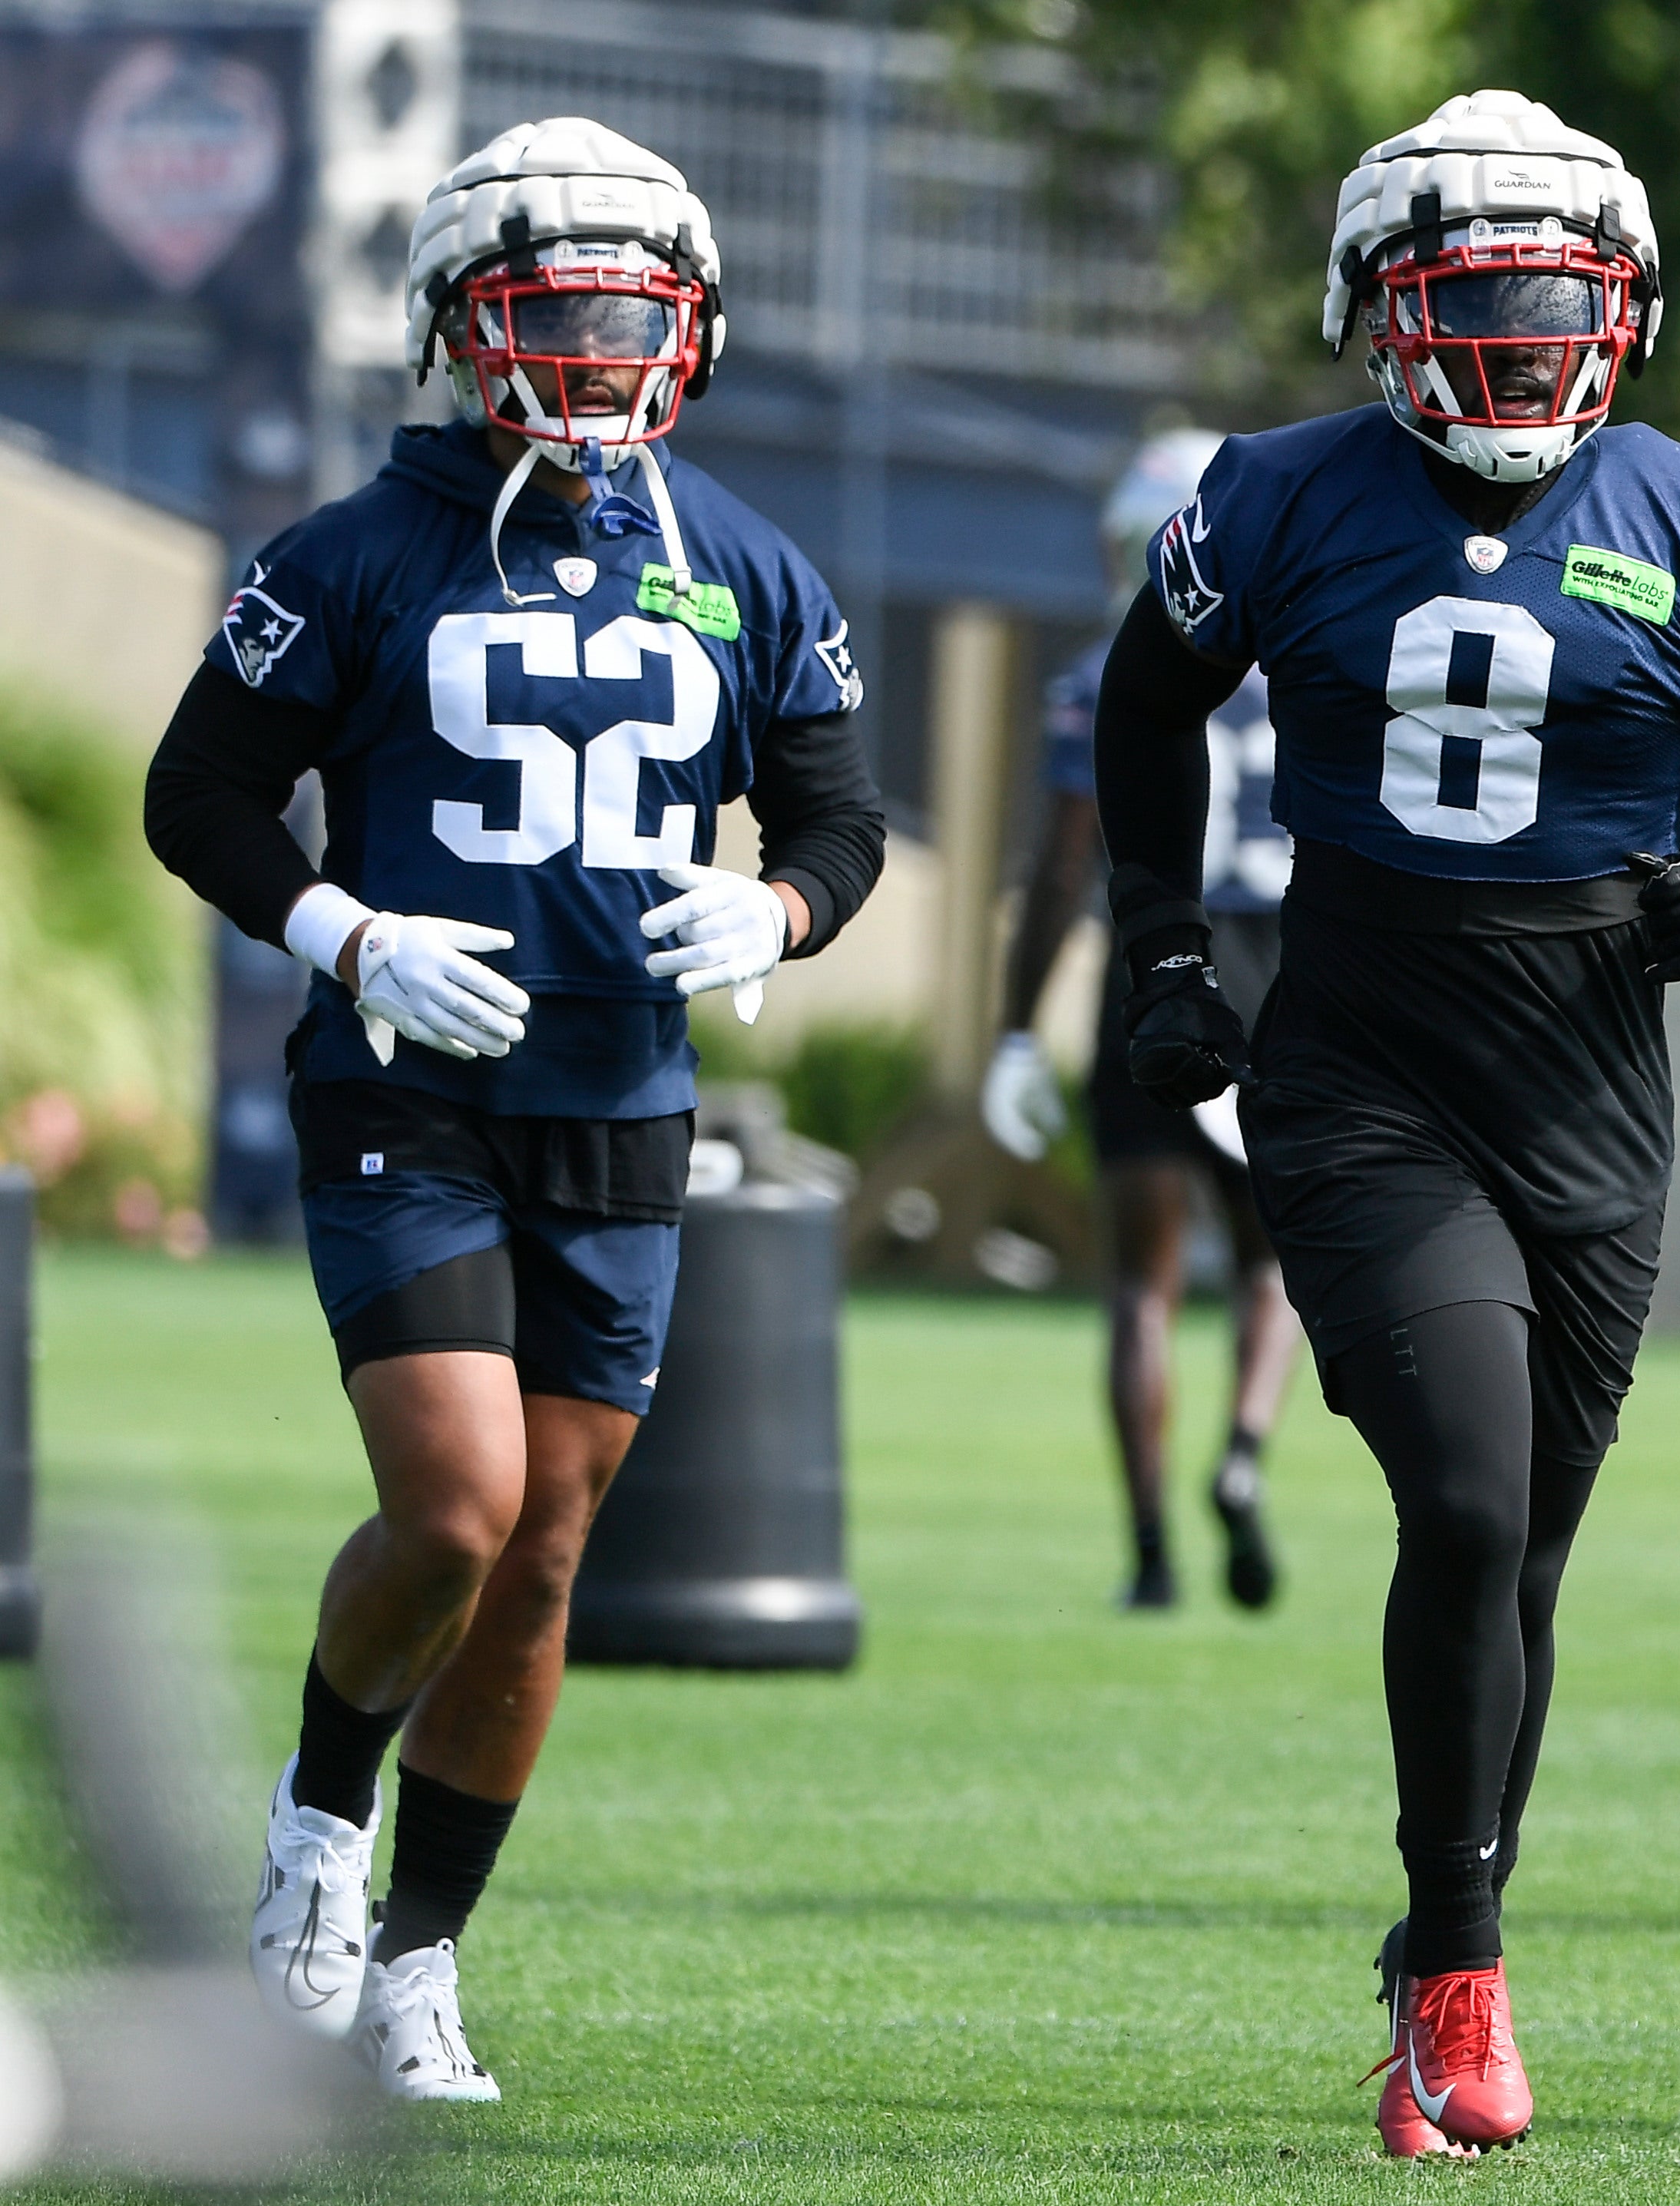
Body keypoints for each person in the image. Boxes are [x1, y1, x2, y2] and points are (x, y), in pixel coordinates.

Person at [1086, 91, 1680, 2158]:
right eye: (1468, 300)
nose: (1514, 344)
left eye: (1551, 303)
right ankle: (1458, 1968)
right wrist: (1160, 945)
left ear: (1623, 311)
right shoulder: (1270, 494)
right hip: (1361, 1062)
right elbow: (1140, 701)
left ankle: (1441, 1940)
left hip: (1593, 1068)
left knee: (1528, 1561)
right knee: (1469, 1505)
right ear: (1372, 308)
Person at [141, 118, 885, 2102]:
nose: (589, 354)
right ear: (461, 331)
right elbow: (198, 792)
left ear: (693, 329)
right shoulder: (353, 550)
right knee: (456, 1501)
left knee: (545, 1549)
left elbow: (836, 810)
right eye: (547, 316)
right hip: (406, 1090)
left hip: (623, 1103)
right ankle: (317, 1833)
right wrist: (347, 933)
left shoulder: (739, 562)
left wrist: (784, 902)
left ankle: (419, 1961)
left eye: (626, 318)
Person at [984, 433, 1299, 1612]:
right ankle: (1246, 1452)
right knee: (1275, 1261)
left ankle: (1154, 1552)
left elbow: (1063, 871)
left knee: (1140, 1286)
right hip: (1280, 967)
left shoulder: (1099, 673)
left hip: (1153, 961)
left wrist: (1015, 1031)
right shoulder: (1305, 657)